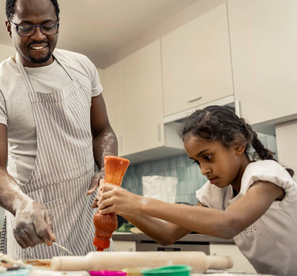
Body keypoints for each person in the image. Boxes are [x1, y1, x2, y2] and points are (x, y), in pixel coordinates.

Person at [0, 0, 117, 259]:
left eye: (48, 26)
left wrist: (107, 171)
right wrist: (20, 204)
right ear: (9, 26)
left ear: (58, 24)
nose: (39, 36)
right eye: (26, 27)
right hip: (35, 224)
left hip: (90, 216)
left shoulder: (82, 67)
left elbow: (103, 131)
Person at [98, 105, 297, 276]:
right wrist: (122, 206)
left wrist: (139, 202)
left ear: (237, 145)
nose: (204, 170)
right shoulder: (218, 191)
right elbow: (167, 234)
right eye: (197, 162)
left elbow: (229, 224)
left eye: (208, 157)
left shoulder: (266, 174)